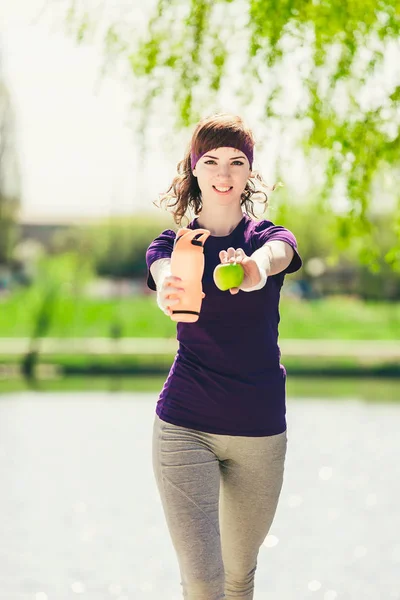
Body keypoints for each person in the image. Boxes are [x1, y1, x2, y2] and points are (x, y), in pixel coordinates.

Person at [146, 113, 302, 600]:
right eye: (211, 161)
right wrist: (167, 290)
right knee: (204, 583)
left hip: (259, 431)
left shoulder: (265, 238)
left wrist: (253, 270)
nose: (224, 172)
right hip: (184, 425)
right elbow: (164, 272)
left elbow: (277, 254)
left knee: (238, 578)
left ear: (249, 174)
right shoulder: (173, 244)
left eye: (236, 162)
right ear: (194, 170)